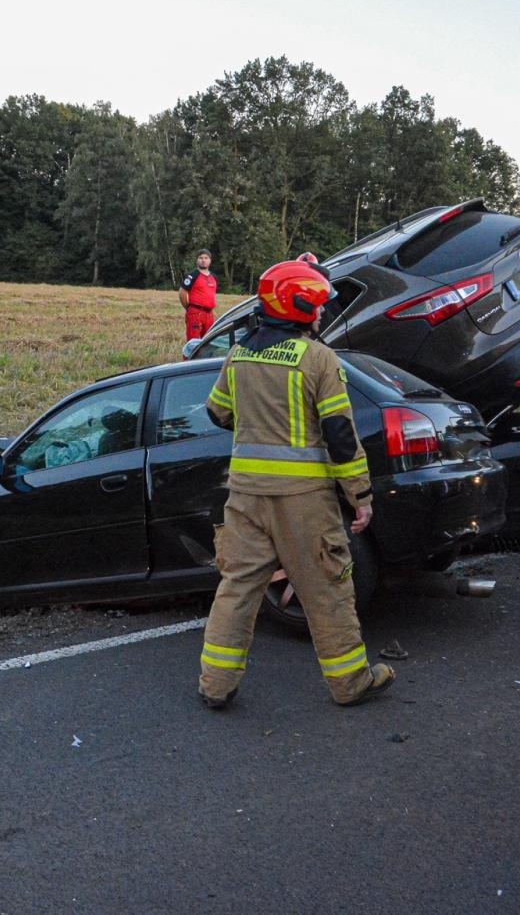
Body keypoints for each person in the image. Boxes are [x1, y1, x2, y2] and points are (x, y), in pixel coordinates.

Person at [197, 258, 395, 709]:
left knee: (236, 589)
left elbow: (217, 412)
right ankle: (351, 684)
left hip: (245, 496)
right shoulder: (318, 359)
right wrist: (360, 497)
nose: (322, 313)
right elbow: (341, 437)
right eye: (318, 304)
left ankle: (215, 686)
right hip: (304, 502)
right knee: (327, 588)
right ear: (299, 306)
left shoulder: (239, 355)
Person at [179, 249, 218, 345]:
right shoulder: (192, 276)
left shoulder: (213, 277)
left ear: (210, 260)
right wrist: (189, 308)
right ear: (197, 260)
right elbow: (182, 292)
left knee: (208, 342)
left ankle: (205, 360)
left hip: (209, 315)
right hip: (195, 313)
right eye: (200, 258)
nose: (203, 260)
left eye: (206, 258)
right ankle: (190, 360)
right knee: (193, 343)